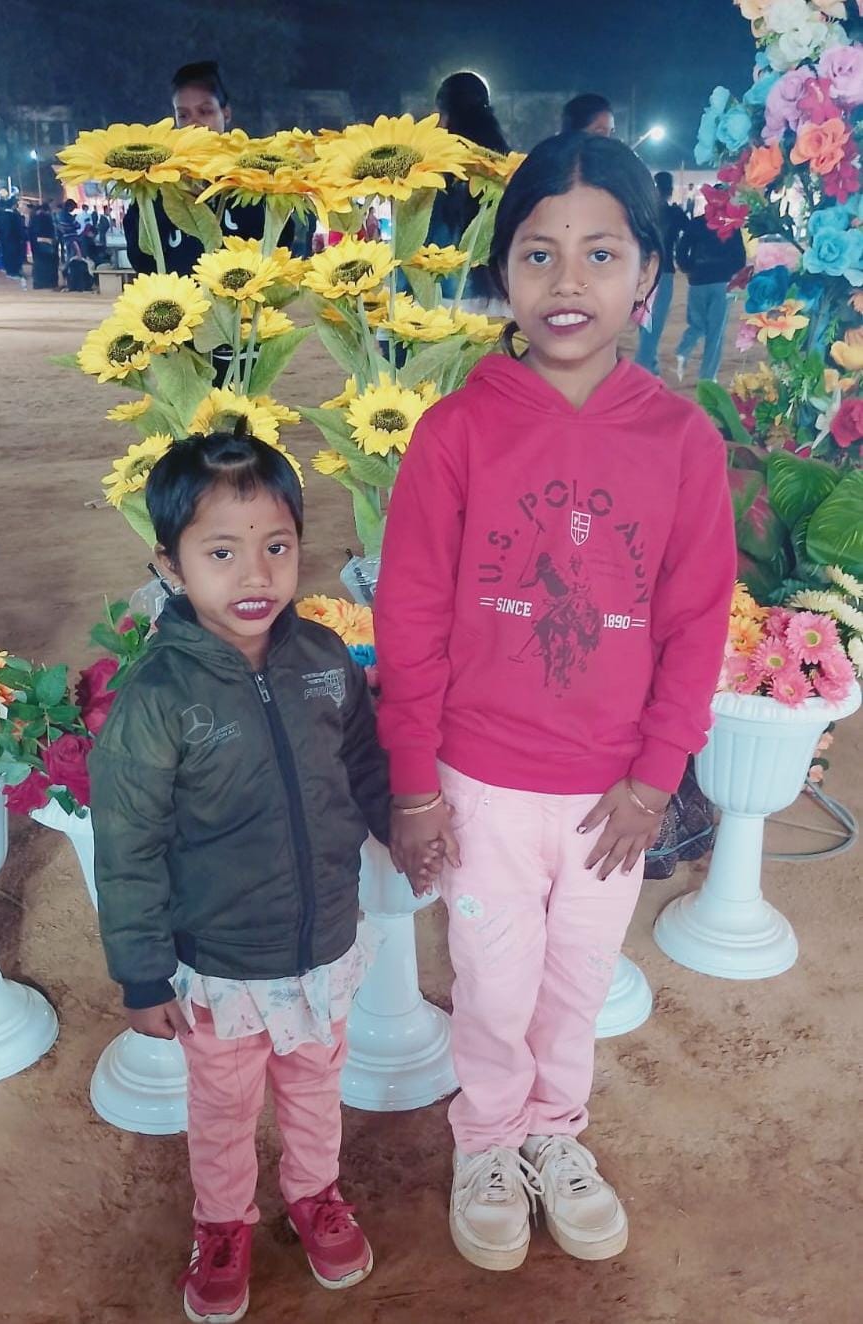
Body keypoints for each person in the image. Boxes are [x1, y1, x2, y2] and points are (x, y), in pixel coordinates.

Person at [375, 132, 735, 1273]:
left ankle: (553, 1134)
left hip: (611, 801)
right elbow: (410, 617)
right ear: (502, 273)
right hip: (480, 787)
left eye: (600, 253)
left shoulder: (682, 441)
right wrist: (415, 788)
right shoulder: (456, 431)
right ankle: (487, 1139)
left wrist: (656, 779)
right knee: (492, 983)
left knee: (577, 982)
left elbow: (696, 622)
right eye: (538, 253)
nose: (567, 281)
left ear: (648, 273)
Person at [90, 429, 389, 1323]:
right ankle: (221, 1224)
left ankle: (315, 1194)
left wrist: (404, 826)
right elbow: (128, 845)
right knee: (223, 1105)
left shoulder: (326, 663)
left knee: (315, 1083)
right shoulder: (158, 700)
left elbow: (364, 765)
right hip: (219, 961)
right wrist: (142, 973)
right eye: (221, 553)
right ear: (170, 565)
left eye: (276, 547)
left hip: (323, 943)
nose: (254, 574)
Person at [124, 61, 285, 277]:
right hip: (178, 296)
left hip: (243, 297)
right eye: (183, 115)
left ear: (226, 113)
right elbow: (141, 259)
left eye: (205, 111)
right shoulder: (156, 183)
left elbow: (279, 248)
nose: (194, 123)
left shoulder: (254, 180)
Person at [429, 71, 510, 309]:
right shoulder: (505, 168)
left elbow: (417, 245)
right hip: (501, 301)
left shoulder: (436, 170)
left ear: (444, 116)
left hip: (443, 303)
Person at [675, 195, 746, 383]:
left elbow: (681, 251)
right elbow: (740, 258)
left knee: (697, 325)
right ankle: (707, 377)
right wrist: (729, 272)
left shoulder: (697, 223)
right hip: (722, 283)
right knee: (715, 333)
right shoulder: (731, 225)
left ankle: (683, 350)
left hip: (697, 281)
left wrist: (689, 268)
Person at [635, 171, 688, 375]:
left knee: (644, 321)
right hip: (664, 270)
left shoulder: (643, 212)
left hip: (641, 270)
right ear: (670, 189)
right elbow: (690, 231)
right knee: (654, 324)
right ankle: (642, 369)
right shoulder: (675, 213)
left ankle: (651, 365)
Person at [0, 198, 27, 286]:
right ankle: (13, 272)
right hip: (14, 240)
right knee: (13, 256)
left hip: (5, 240)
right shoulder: (14, 216)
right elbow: (18, 229)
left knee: (7, 255)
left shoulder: (1, 216)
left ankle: (10, 271)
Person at [28, 202, 59, 289]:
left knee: (39, 263)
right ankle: (50, 282)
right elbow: (50, 231)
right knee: (49, 263)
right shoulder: (46, 218)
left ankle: (39, 283)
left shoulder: (33, 217)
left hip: (36, 243)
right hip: (46, 242)